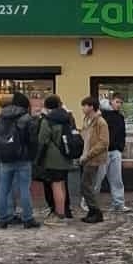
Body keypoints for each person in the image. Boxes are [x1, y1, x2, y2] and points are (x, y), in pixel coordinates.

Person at [0, 92, 40, 229]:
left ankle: (2, 218)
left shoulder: (0, 117)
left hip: (5, 159)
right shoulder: (27, 118)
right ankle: (28, 218)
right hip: (23, 159)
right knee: (24, 188)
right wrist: (31, 155)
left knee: (3, 189)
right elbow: (32, 140)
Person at [35, 96, 80, 225]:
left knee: (56, 185)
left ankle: (59, 215)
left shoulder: (48, 120)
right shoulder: (67, 117)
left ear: (47, 106)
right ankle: (64, 211)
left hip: (53, 158)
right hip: (66, 155)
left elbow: (42, 139)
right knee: (62, 184)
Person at [78, 97, 109, 224]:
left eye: (84, 105)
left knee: (86, 186)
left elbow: (104, 142)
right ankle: (92, 211)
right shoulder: (87, 121)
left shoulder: (101, 122)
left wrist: (89, 154)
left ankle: (96, 212)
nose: (83, 108)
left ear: (91, 107)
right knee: (86, 186)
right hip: (85, 157)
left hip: (93, 159)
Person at [101, 93, 128, 213]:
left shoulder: (120, 116)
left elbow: (122, 133)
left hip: (115, 150)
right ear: (111, 101)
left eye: (121, 103)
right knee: (97, 178)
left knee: (117, 179)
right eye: (117, 102)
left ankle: (118, 203)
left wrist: (120, 147)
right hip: (103, 151)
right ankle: (88, 202)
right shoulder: (102, 115)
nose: (119, 105)